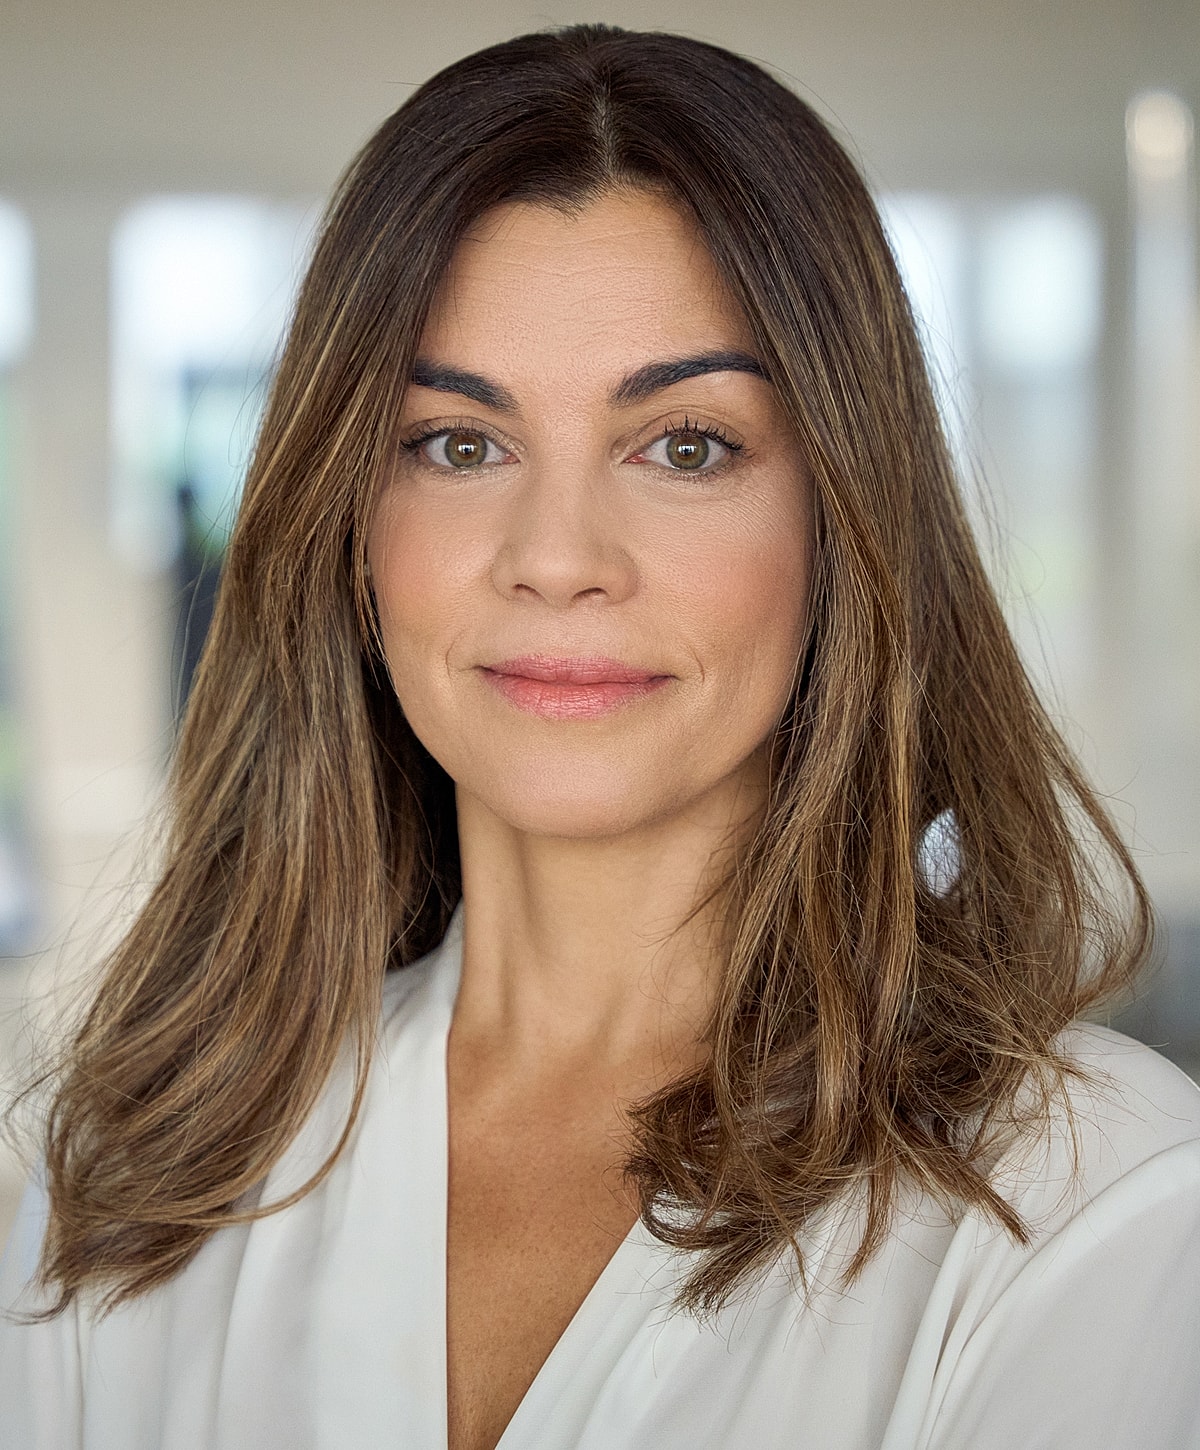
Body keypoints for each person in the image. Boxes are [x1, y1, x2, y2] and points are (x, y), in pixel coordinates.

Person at [3, 21, 1199, 1450]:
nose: (558, 556)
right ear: (350, 532)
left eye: (685, 446)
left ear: (846, 521)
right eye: (458, 444)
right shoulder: (133, 1167)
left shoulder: (1097, 1202)